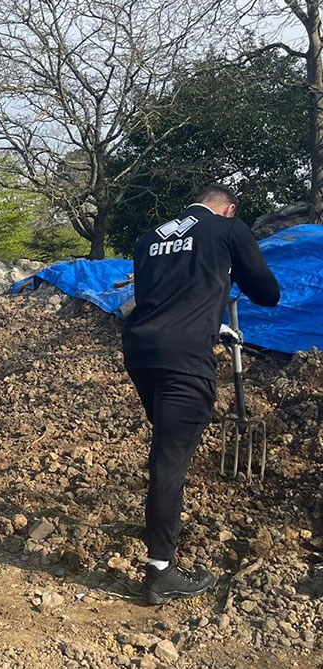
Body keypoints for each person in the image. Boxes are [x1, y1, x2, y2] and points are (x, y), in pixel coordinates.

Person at [122, 184, 280, 604]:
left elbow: (164, 299)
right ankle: (160, 571)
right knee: (169, 458)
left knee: (168, 446)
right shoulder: (228, 229)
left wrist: (216, 326)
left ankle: (160, 525)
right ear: (228, 209)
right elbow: (267, 293)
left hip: (141, 352)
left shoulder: (150, 238)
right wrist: (235, 274)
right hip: (185, 359)